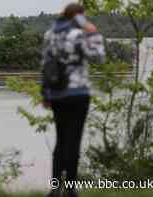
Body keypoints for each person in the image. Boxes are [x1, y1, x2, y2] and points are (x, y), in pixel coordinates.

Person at [42, 3, 105, 197]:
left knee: (61, 141)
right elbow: (98, 57)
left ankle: (54, 189)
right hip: (77, 94)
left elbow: (45, 64)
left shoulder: (49, 35)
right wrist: (93, 33)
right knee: (73, 142)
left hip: (57, 95)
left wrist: (45, 93)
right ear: (78, 17)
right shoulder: (78, 35)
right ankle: (70, 189)